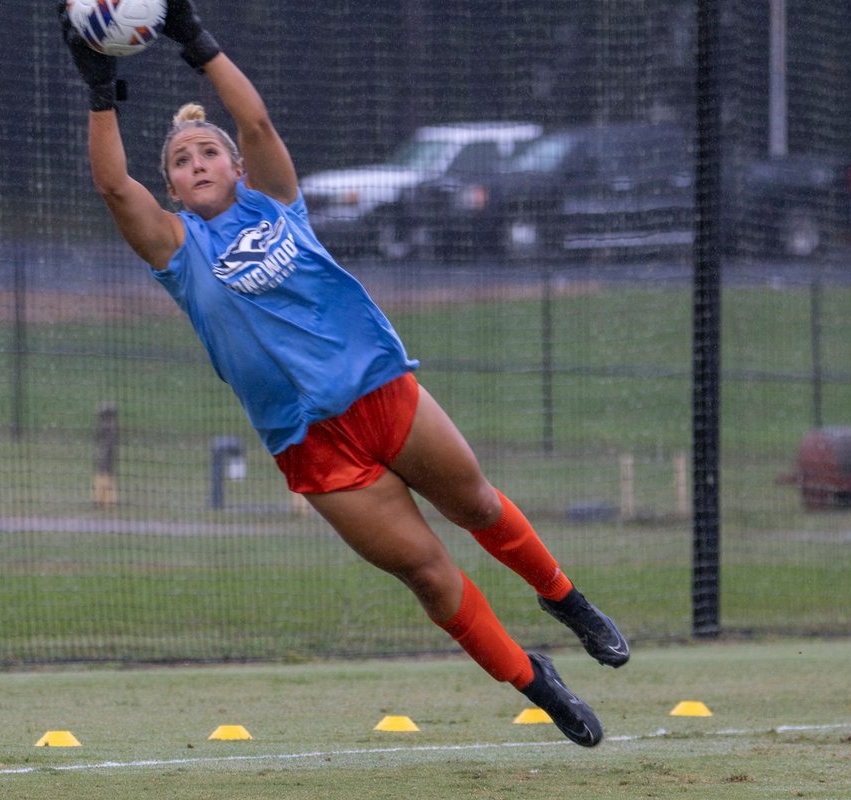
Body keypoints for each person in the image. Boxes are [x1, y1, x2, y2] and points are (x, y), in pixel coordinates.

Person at [59, 0, 628, 747]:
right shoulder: (178, 248)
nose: (196, 163)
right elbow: (113, 187)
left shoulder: (277, 204)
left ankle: (566, 600)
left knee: (477, 506)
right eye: (181, 161)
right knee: (428, 575)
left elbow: (256, 121)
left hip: (380, 392)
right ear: (171, 187)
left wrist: (195, 40)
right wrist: (99, 90)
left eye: (208, 152)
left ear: (235, 166)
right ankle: (535, 681)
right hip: (311, 444)